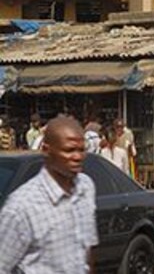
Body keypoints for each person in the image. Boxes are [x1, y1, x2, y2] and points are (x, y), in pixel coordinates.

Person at [0, 116, 98, 272]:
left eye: (81, 150)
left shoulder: (85, 187)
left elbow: (87, 253)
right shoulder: (22, 207)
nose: (77, 157)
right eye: (69, 150)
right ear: (46, 150)